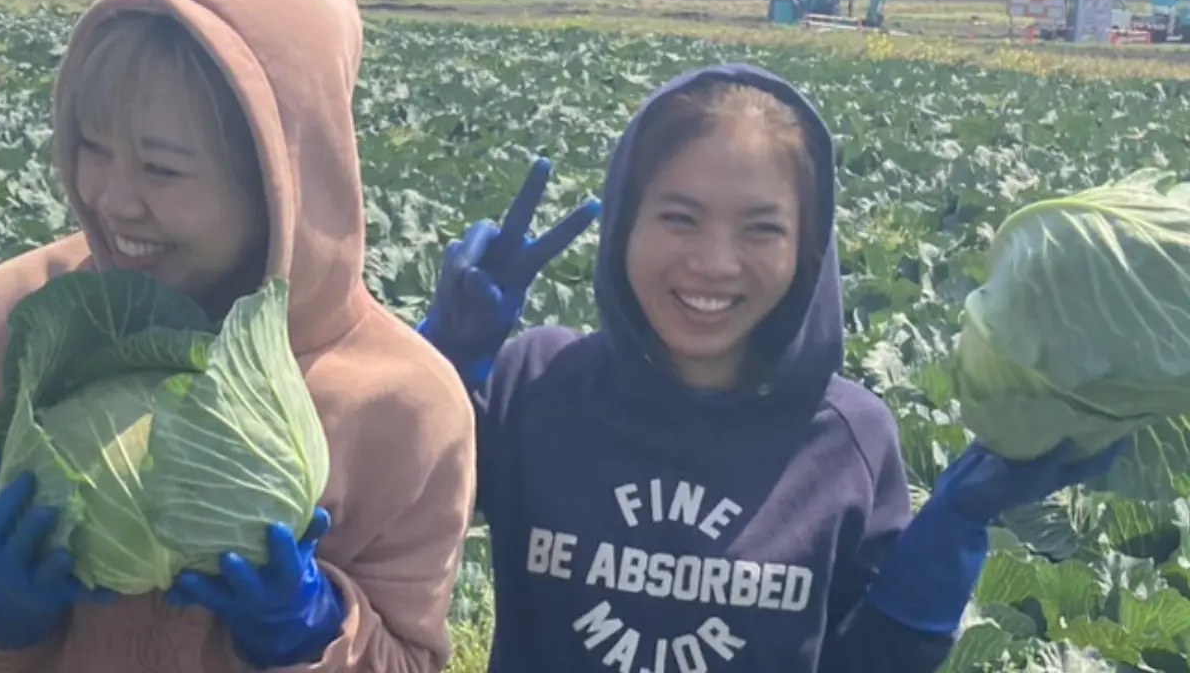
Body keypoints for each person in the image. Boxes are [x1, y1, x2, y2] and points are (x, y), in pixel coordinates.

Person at [416, 63, 1128, 672]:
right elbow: (386, 510)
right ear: (624, 224)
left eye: (762, 228)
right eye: (679, 218)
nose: (713, 263)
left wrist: (953, 532)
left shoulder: (851, 439)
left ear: (808, 249)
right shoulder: (533, 387)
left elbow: (869, 661)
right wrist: (438, 362)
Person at [0, 0, 477, 672]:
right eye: (91, 146)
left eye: (162, 168)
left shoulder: (406, 407)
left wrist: (308, 631)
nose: (113, 198)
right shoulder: (9, 317)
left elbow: (412, 659)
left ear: (280, 179)